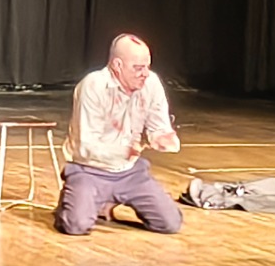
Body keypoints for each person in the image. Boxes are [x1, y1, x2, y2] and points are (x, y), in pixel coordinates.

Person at [54, 35, 182, 236]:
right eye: (138, 68)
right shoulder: (93, 86)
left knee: (170, 223)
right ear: (117, 65)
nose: (145, 74)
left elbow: (159, 126)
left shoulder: (151, 83)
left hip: (130, 172)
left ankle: (109, 200)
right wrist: (124, 150)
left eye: (147, 67)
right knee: (76, 225)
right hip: (90, 170)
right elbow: (86, 146)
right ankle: (75, 201)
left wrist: (163, 137)